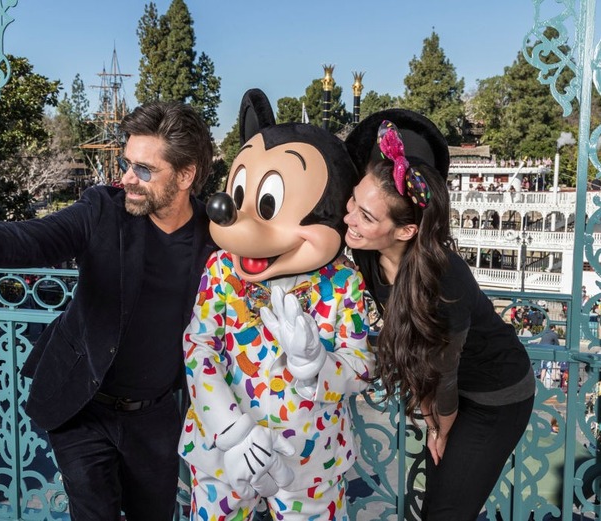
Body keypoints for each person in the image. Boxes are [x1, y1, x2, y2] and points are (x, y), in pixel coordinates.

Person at [0, 101, 217, 520]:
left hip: (156, 415)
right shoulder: (102, 210)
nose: (126, 178)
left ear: (185, 175)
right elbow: (20, 242)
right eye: (127, 163)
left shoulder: (216, 237)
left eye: (144, 169)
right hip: (81, 404)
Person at [181, 88, 372, 520]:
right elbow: (199, 347)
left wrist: (317, 365)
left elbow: (360, 365)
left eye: (268, 205)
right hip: (223, 455)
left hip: (310, 458)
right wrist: (232, 430)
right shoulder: (222, 269)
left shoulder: (342, 280)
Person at [343, 110, 535, 521]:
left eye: (366, 216)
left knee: (446, 511)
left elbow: (443, 375)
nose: (349, 218)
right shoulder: (367, 252)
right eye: (354, 201)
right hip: (444, 390)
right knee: (438, 503)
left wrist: (437, 428)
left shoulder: (445, 280)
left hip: (494, 395)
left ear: (406, 231)